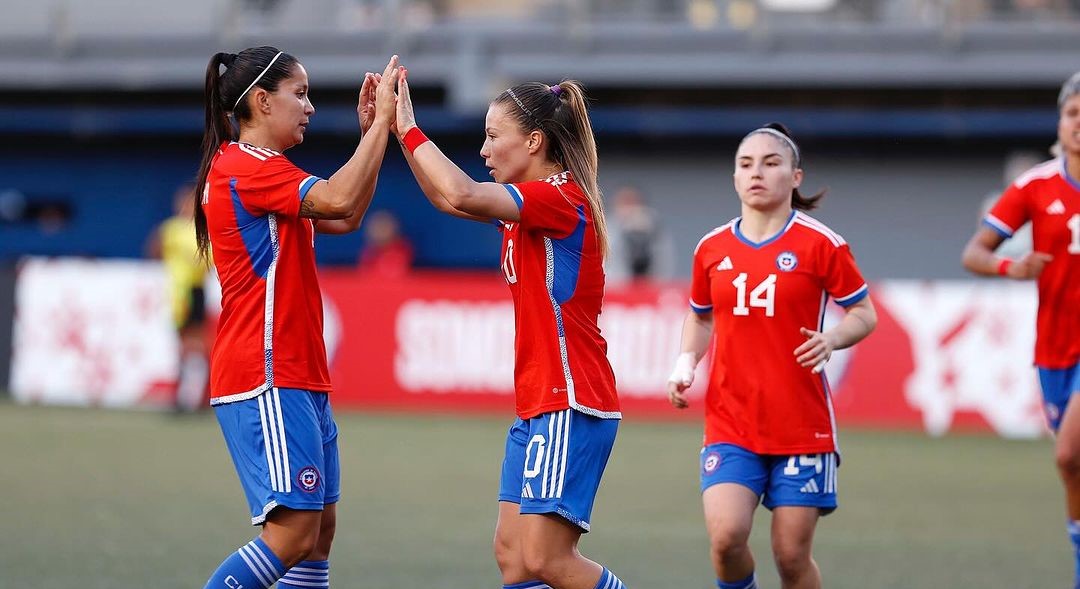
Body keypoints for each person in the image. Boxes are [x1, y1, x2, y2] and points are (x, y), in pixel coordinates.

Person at [390, 70, 628, 589]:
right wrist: (394, 131)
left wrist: (408, 127)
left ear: (535, 141)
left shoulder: (558, 198)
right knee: (513, 557)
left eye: (494, 135)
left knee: (548, 559)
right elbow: (449, 199)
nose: (483, 148)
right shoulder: (530, 205)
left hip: (571, 400)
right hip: (538, 403)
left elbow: (463, 193)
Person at [193, 46, 400, 589]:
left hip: (296, 373)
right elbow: (336, 201)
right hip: (267, 372)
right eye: (300, 93)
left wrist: (370, 139)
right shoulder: (246, 166)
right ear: (261, 101)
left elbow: (346, 215)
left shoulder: (265, 171)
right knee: (292, 534)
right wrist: (381, 127)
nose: (309, 106)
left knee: (316, 533)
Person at [666, 123, 877, 589]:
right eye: (746, 164)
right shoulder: (712, 248)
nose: (756, 172)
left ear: (795, 177)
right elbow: (701, 316)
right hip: (731, 421)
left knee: (791, 556)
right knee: (726, 539)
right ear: (735, 178)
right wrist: (686, 362)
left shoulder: (822, 244)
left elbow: (864, 313)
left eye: (771, 162)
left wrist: (833, 338)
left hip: (802, 425)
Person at [962, 71, 1080, 588]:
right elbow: (974, 253)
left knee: (1069, 453)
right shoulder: (1035, 186)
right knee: (1075, 468)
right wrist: (1013, 267)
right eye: (1073, 113)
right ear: (1060, 121)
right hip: (1055, 349)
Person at [146, 182, 211, 413]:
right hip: (176, 294)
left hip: (194, 290)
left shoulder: (202, 230)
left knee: (195, 343)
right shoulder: (171, 229)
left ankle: (192, 397)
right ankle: (185, 395)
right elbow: (154, 247)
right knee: (182, 344)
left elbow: (210, 262)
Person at [605, 185, 675, 285]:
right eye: (624, 203)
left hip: (649, 289)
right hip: (616, 288)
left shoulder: (653, 225)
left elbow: (663, 263)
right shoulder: (607, 226)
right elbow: (608, 261)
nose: (629, 210)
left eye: (632, 203)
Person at [357, 209, 414, 278]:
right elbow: (365, 276)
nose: (379, 233)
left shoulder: (402, 250)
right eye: (376, 229)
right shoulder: (368, 254)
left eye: (383, 228)